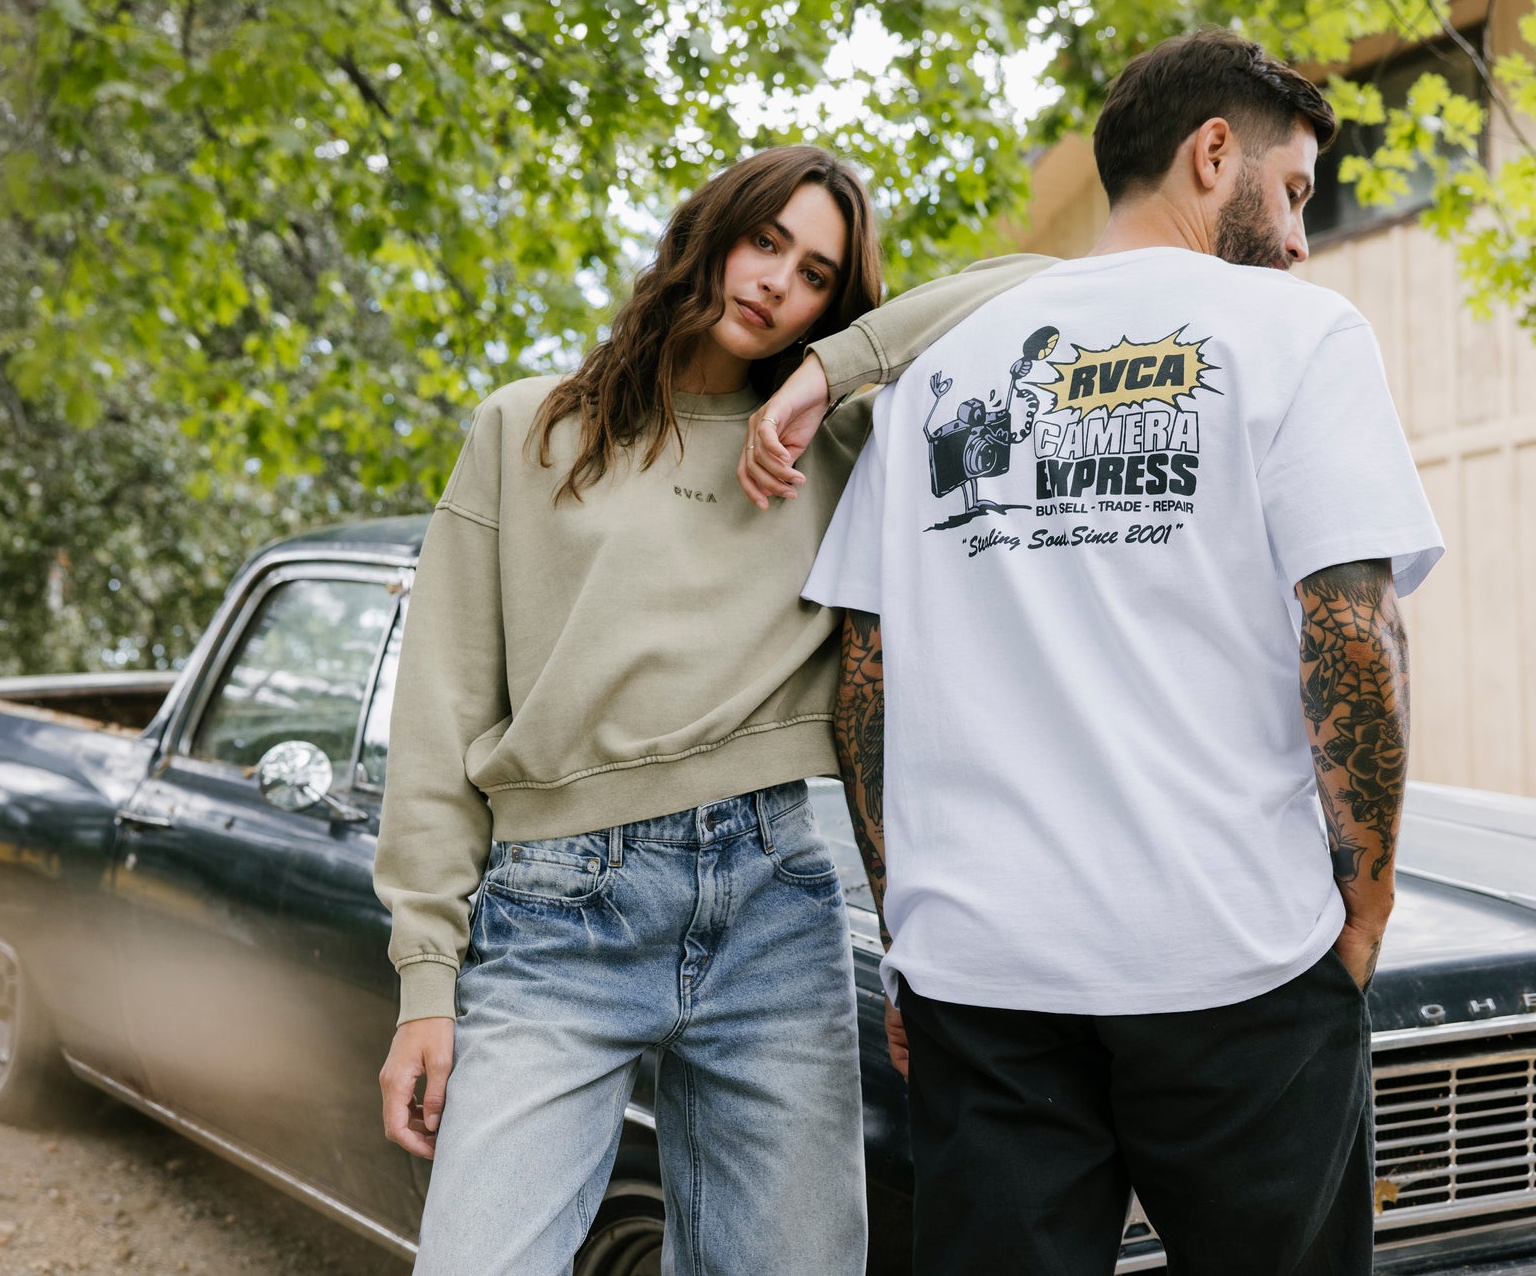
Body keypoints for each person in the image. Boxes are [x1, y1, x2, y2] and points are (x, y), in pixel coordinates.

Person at [754, 29, 1444, 1275]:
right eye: (1291, 191)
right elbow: (1353, 624)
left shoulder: (935, 369)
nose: (1298, 237)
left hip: (984, 968)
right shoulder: (1299, 334)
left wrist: (911, 924)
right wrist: (1368, 901)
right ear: (1211, 150)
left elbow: (867, 674)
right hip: (1233, 954)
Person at [370, 145, 1044, 1275]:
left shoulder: (838, 450)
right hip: (555, 915)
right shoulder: (531, 428)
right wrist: (424, 981)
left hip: (771, 904)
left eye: (818, 274)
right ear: (710, 233)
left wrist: (835, 372)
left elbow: (1042, 281)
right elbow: (438, 712)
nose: (780, 281)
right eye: (765, 241)